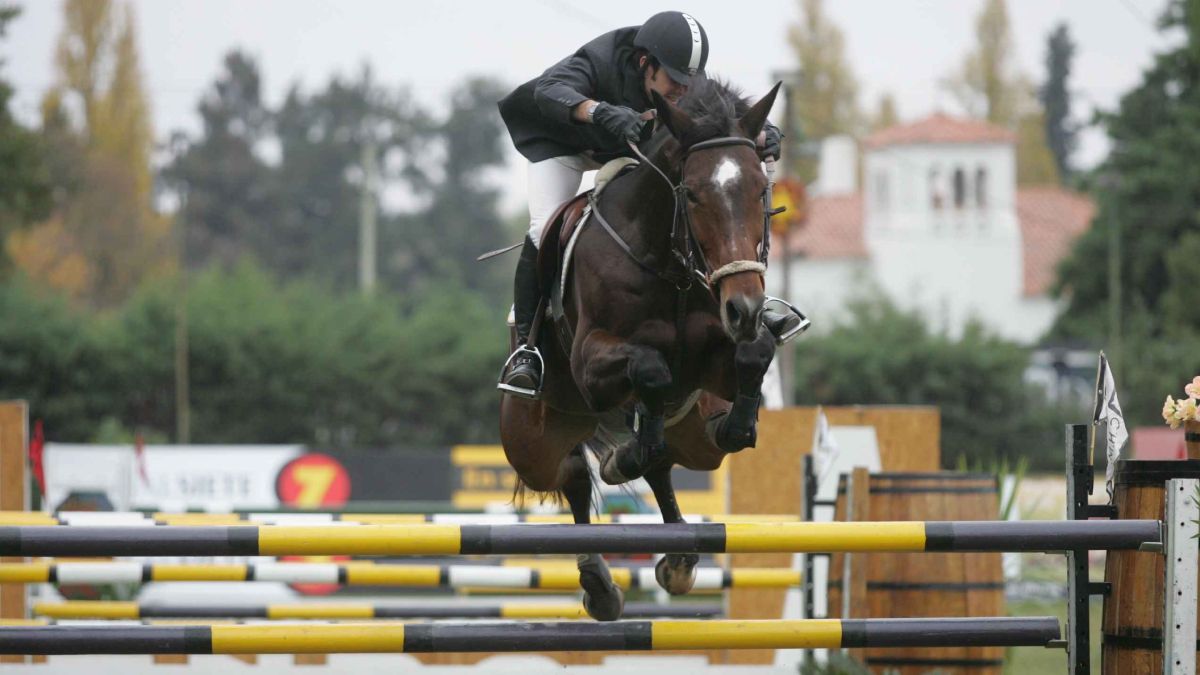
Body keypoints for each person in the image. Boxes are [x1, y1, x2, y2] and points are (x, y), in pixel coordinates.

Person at [496, 10, 785, 397]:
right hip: (565, 148)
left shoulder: (680, 75)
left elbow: (731, 112)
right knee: (543, 223)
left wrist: (767, 131)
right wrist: (599, 111)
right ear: (645, 63)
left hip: (624, 151)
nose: (682, 90)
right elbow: (548, 90)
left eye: (689, 82)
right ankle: (528, 350)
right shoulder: (602, 59)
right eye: (674, 81)